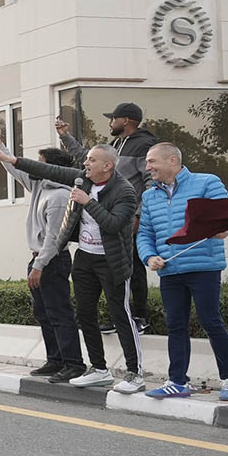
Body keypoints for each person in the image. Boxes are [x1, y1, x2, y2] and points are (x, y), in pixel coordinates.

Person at [0, 144, 144, 392]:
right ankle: (99, 370)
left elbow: (113, 224)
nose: (86, 164)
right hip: (85, 259)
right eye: (87, 159)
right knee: (85, 314)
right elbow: (48, 169)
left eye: (92, 160)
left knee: (120, 315)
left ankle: (134, 374)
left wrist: (88, 201)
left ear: (108, 166)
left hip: (111, 261)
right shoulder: (83, 179)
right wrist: (10, 158)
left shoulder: (124, 190)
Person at [139, 143, 228, 401]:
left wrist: (225, 230)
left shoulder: (207, 182)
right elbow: (144, 233)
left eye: (152, 161)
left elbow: (227, 215)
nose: (147, 167)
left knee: (210, 321)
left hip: (203, 267)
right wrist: (149, 256)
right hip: (170, 270)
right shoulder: (149, 196)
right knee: (175, 325)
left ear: (172, 160)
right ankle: (177, 382)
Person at [0, 126, 85, 383]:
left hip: (52, 260)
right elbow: (16, 170)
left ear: (51, 168)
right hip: (39, 259)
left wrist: (39, 265)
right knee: (43, 313)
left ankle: (73, 363)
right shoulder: (40, 185)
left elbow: (54, 239)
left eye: (40, 162)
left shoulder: (60, 196)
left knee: (59, 313)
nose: (35, 166)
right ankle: (55, 360)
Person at [56, 102, 156, 333]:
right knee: (115, 270)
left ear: (126, 121)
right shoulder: (116, 144)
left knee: (133, 267)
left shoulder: (144, 145)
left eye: (113, 118)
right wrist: (65, 136)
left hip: (128, 217)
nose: (110, 123)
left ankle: (139, 317)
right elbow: (87, 158)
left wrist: (139, 214)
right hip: (106, 216)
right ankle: (119, 317)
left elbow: (151, 182)